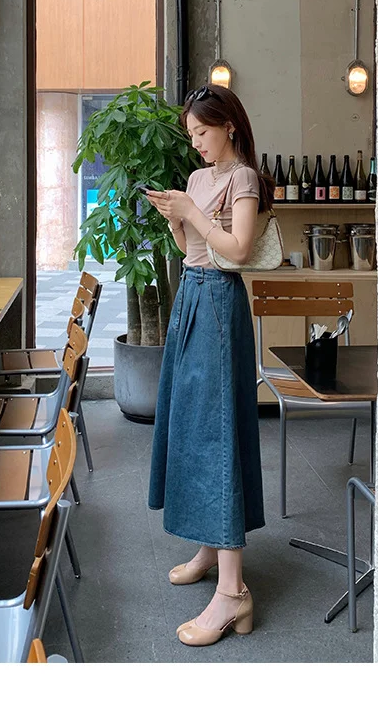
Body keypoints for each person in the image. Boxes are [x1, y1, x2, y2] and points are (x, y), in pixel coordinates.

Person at [145, 83, 272, 647]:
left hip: (220, 301)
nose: (195, 142)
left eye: (202, 131)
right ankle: (208, 545)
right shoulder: (198, 179)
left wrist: (191, 211)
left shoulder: (243, 178)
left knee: (216, 434)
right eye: (191, 134)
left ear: (229, 126)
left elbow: (238, 249)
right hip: (192, 296)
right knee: (192, 427)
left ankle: (232, 591)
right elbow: (190, 249)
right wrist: (177, 220)